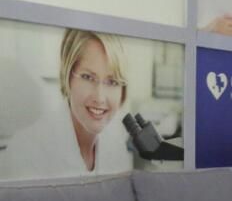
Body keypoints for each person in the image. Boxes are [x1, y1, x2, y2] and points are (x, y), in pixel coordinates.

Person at [0, 29, 133, 180]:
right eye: (88, 77)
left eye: (112, 82)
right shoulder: (26, 151)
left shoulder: (119, 142)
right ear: (68, 77)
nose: (100, 97)